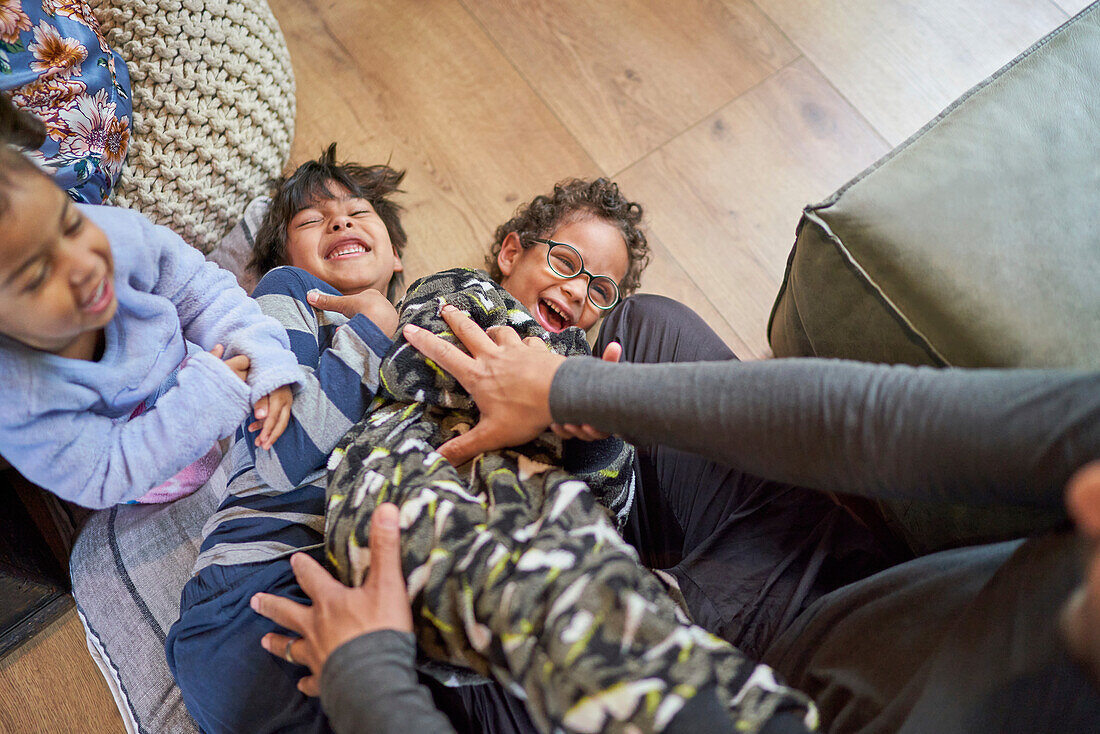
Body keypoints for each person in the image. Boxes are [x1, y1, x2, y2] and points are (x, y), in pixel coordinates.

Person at [391, 304, 1100, 733]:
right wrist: (569, 388)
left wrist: (369, 682)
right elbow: (874, 420)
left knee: (429, 651)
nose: (1088, 499)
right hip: (833, 585)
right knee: (649, 325)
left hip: (743, 692)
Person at [167, 147, 657, 733]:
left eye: (357, 212)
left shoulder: (422, 330)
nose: (341, 222)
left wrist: (589, 434)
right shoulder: (289, 300)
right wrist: (370, 325)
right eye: (311, 221)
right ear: (283, 254)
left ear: (397, 254)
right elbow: (284, 455)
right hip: (260, 597)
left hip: (382, 608)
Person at [0, 93, 299, 509]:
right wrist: (200, 405)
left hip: (207, 367)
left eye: (69, 224)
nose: (84, 264)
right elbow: (104, 473)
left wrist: (262, 354)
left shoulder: (118, 238)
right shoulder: (16, 400)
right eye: (37, 274)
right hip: (148, 473)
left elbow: (200, 291)